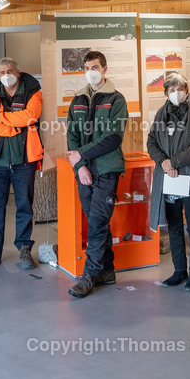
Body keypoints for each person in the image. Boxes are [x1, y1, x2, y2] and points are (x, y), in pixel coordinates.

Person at [66, 51, 129, 298]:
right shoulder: (78, 99)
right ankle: (107, 271)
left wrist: (81, 154)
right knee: (96, 221)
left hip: (106, 169)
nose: (90, 71)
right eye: (87, 67)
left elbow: (113, 137)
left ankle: (89, 275)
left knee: (97, 222)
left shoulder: (117, 99)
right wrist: (79, 166)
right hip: (84, 171)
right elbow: (71, 135)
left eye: (95, 66)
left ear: (104, 69)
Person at [145, 72, 190, 293]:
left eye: (180, 88)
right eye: (171, 90)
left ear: (187, 89)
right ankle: (179, 270)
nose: (176, 93)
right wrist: (164, 162)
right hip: (169, 179)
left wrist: (173, 161)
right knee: (173, 227)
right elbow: (152, 141)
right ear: (166, 93)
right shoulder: (161, 113)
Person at [0, 57, 43, 271]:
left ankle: (24, 250)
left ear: (18, 70)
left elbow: (31, 116)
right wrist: (12, 127)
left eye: (11, 70)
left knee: (25, 207)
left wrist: (1, 118)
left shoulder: (33, 90)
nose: (7, 74)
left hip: (25, 161)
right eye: (3, 71)